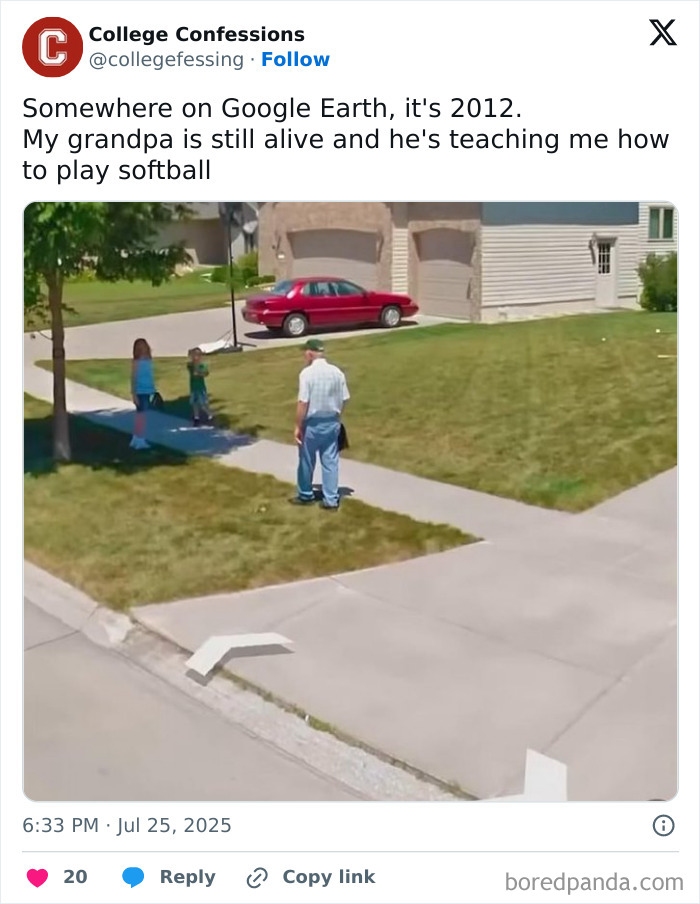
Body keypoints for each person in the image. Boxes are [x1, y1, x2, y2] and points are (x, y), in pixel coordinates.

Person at [292, 338, 350, 511]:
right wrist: (337, 415)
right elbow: (345, 398)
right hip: (332, 421)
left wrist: (297, 426)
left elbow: (303, 402)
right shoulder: (337, 372)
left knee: (306, 460)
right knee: (330, 460)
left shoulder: (306, 374)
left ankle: (305, 494)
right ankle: (331, 499)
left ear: (310, 353)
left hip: (312, 423)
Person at [130, 338, 156, 450]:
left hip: (147, 390)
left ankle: (136, 438)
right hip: (140, 391)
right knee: (142, 416)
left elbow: (149, 375)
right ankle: (140, 439)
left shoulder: (148, 360)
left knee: (141, 415)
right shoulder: (136, 362)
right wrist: (134, 393)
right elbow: (133, 378)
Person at [187, 347, 212, 426]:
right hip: (193, 388)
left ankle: (210, 414)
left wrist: (199, 373)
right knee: (195, 403)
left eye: (198, 355)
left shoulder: (202, 365)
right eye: (194, 355)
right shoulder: (190, 365)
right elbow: (191, 367)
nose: (196, 357)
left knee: (203, 403)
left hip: (201, 387)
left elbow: (206, 373)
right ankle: (196, 418)